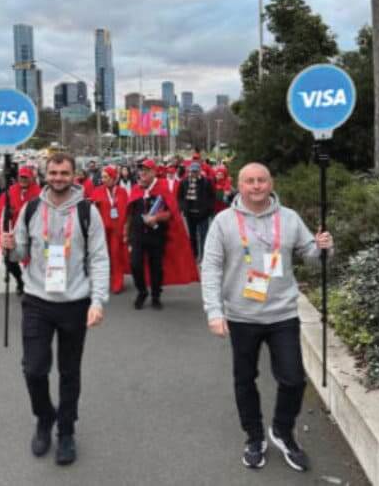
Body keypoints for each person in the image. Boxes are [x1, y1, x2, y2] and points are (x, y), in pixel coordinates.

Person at [200, 162, 333, 472]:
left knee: (293, 379)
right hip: (241, 315)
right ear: (239, 185)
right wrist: (214, 311)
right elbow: (211, 268)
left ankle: (282, 431)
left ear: (271, 183)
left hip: (282, 313)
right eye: (249, 181)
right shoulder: (223, 222)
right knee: (245, 379)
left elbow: (312, 256)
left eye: (261, 180)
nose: (256, 186)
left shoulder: (288, 219)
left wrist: (323, 247)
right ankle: (255, 436)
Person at [1, 152, 109, 466]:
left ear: (75, 175)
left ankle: (65, 430)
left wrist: (98, 301)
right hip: (37, 300)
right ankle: (44, 417)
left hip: (75, 302)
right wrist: (9, 247)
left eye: (64, 172)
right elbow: (20, 252)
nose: (58, 177)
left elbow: (99, 259)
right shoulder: (31, 208)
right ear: (44, 175)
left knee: (69, 372)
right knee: (34, 369)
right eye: (53, 172)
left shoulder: (88, 212)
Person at [126, 159, 198, 310]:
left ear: (153, 172)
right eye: (141, 170)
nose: (142, 173)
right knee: (135, 264)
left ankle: (155, 296)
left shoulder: (163, 189)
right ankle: (142, 291)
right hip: (138, 235)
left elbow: (172, 212)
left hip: (157, 235)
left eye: (146, 170)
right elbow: (130, 214)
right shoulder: (136, 188)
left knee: (156, 267)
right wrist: (126, 234)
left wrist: (157, 218)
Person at [0, 166, 42, 294]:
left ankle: (34, 284)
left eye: (26, 177)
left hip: (33, 234)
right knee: (9, 260)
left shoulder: (39, 193)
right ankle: (21, 282)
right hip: (13, 234)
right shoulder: (10, 192)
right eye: (21, 177)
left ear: (31, 178)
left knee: (35, 260)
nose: (23, 180)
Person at [91, 166, 129, 294]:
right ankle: (105, 280)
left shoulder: (122, 192)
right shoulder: (97, 191)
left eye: (106, 177)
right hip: (102, 230)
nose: (103, 179)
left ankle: (118, 281)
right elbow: (92, 210)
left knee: (116, 254)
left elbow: (127, 211)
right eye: (102, 177)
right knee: (103, 256)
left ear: (113, 178)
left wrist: (126, 228)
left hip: (117, 230)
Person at [178, 162, 215, 262]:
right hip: (190, 213)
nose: (193, 173)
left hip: (203, 213)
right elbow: (180, 196)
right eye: (192, 171)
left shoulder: (206, 181)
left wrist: (208, 210)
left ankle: (204, 255)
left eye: (195, 171)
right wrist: (183, 207)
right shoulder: (184, 182)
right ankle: (194, 255)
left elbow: (212, 196)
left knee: (204, 235)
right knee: (192, 236)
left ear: (199, 171)